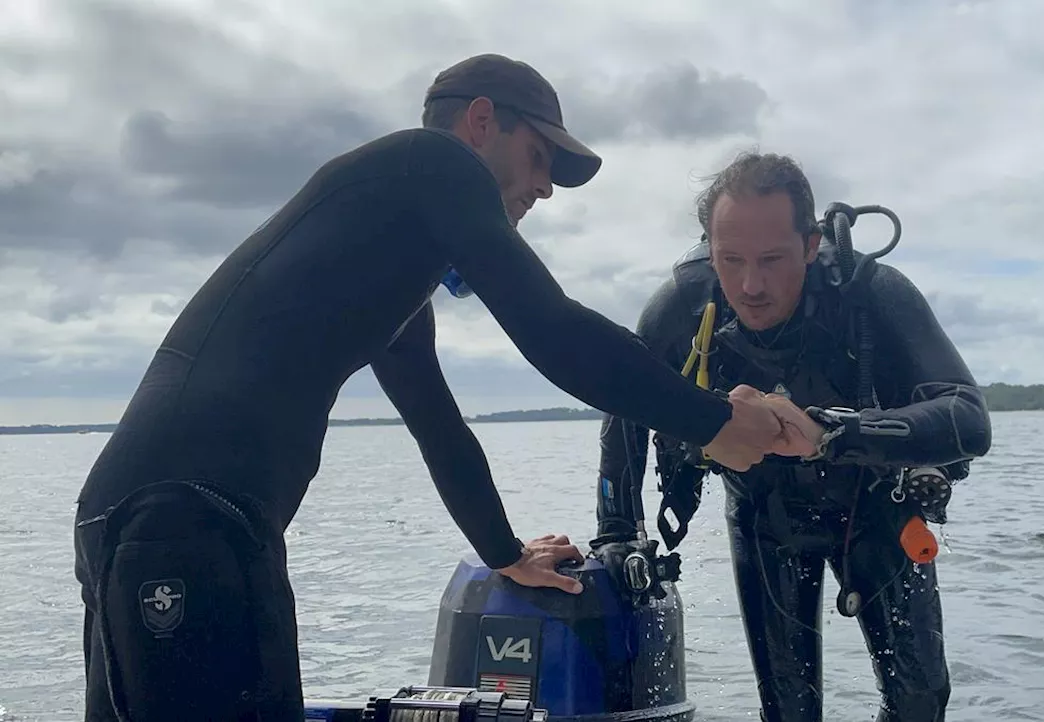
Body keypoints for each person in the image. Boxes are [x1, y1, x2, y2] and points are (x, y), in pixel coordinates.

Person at [71, 54, 814, 722]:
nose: (544, 188)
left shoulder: (386, 277)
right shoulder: (434, 162)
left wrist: (502, 551)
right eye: (536, 157)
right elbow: (550, 329)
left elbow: (439, 427)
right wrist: (712, 420)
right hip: (184, 519)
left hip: (152, 516)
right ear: (480, 122)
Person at [591, 151, 993, 722]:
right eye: (730, 259)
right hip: (766, 521)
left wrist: (831, 431)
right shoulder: (684, 304)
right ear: (709, 245)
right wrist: (616, 531)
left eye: (773, 259)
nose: (750, 285)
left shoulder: (869, 293)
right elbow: (622, 404)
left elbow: (969, 417)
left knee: (921, 702)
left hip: (877, 508)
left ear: (809, 245)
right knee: (788, 711)